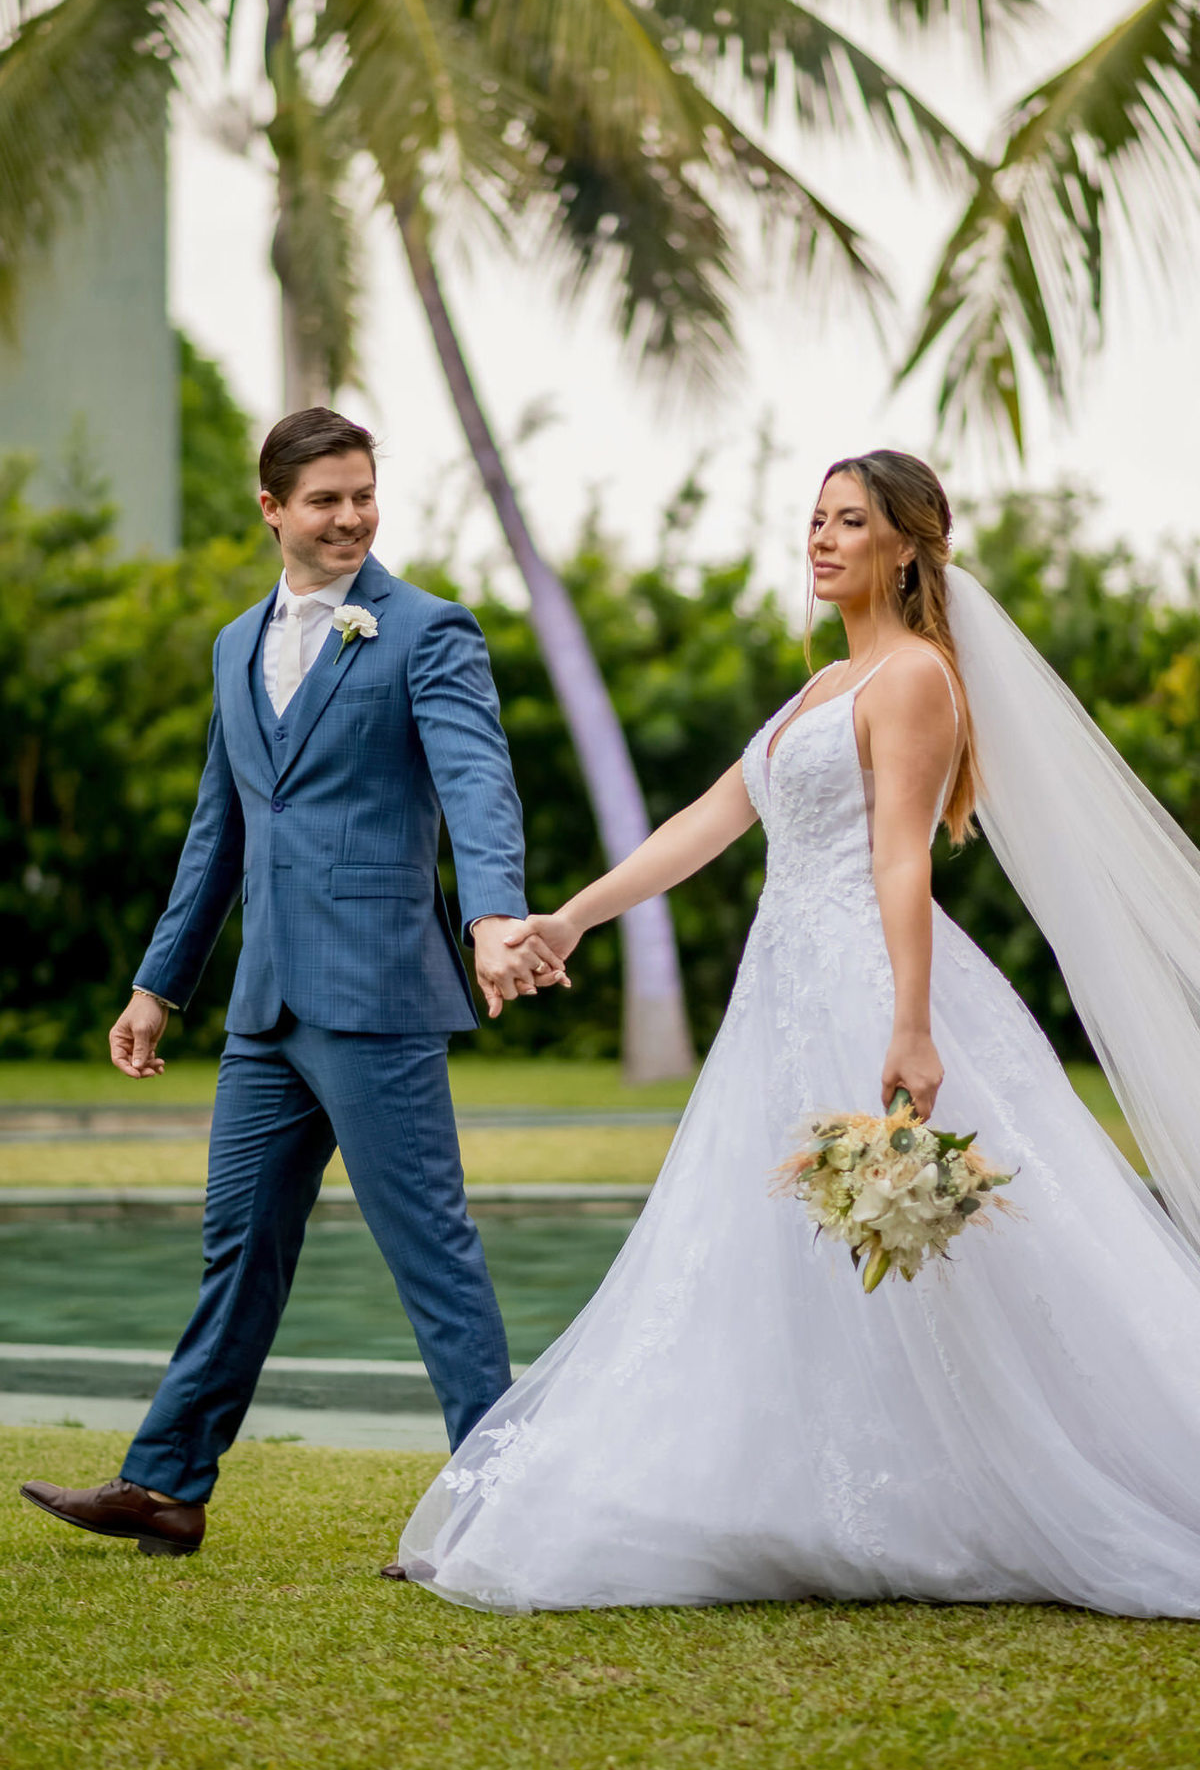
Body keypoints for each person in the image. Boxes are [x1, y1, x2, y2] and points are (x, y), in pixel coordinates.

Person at [391, 449, 1200, 1616]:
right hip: (780, 992)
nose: (821, 539)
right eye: (816, 519)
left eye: (850, 521)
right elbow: (708, 820)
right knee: (771, 1246)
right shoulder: (824, 683)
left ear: (907, 546)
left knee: (953, 1262)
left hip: (868, 986)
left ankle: (1022, 1479)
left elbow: (901, 860)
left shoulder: (915, 678)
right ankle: (818, 1489)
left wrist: (911, 1029)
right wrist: (569, 919)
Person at [20, 407, 564, 1559]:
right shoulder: (234, 646)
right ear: (272, 509)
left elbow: (478, 782)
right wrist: (158, 985)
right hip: (265, 1006)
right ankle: (166, 1485)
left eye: (363, 494)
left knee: (431, 1252)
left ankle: (505, 1510)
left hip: (379, 993)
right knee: (239, 1248)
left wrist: (493, 916)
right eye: (325, 500)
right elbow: (217, 832)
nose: (351, 517)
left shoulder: (428, 630)